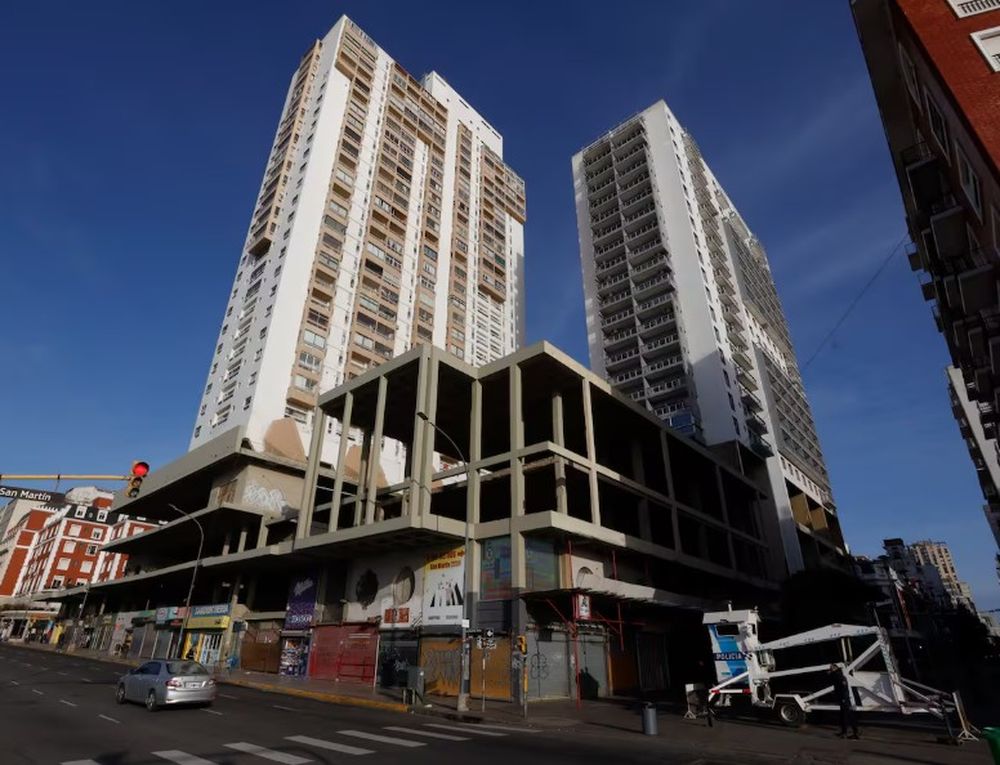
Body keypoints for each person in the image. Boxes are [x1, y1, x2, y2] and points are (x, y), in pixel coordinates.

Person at [829, 664, 859, 739]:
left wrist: (843, 698)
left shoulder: (839, 676)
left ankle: (855, 732)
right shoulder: (837, 675)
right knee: (843, 716)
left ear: (836, 668)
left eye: (832, 668)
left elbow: (843, 688)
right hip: (842, 698)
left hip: (844, 699)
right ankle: (844, 732)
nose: (830, 669)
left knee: (847, 716)